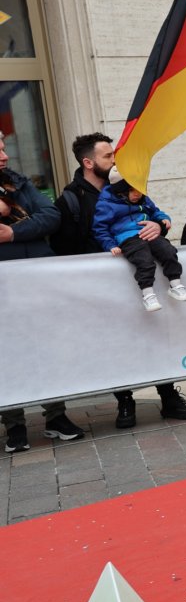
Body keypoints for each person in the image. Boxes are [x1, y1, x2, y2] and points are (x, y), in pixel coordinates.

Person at [52, 133, 186, 428]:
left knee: (156, 334)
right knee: (115, 343)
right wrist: (106, 248)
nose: (115, 160)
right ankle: (125, 401)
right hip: (103, 286)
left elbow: (150, 215)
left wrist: (158, 226)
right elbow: (63, 246)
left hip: (143, 278)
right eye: (108, 156)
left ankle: (168, 395)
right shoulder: (70, 199)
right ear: (88, 162)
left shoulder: (129, 183)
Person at [1, 130, 85, 451]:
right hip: (4, 289)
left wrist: (13, 233)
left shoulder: (18, 183)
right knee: (7, 355)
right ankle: (14, 425)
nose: (5, 155)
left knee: (45, 349)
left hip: (37, 281)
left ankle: (56, 417)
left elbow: (51, 215)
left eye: (4, 147)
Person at [93, 167, 186, 312]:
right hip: (127, 237)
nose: (137, 193)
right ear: (121, 191)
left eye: (140, 188)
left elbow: (155, 211)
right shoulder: (106, 204)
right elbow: (100, 228)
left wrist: (163, 219)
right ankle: (148, 294)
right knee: (144, 260)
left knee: (168, 250)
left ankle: (175, 284)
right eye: (132, 190)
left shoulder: (143, 198)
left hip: (148, 231)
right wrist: (110, 245)